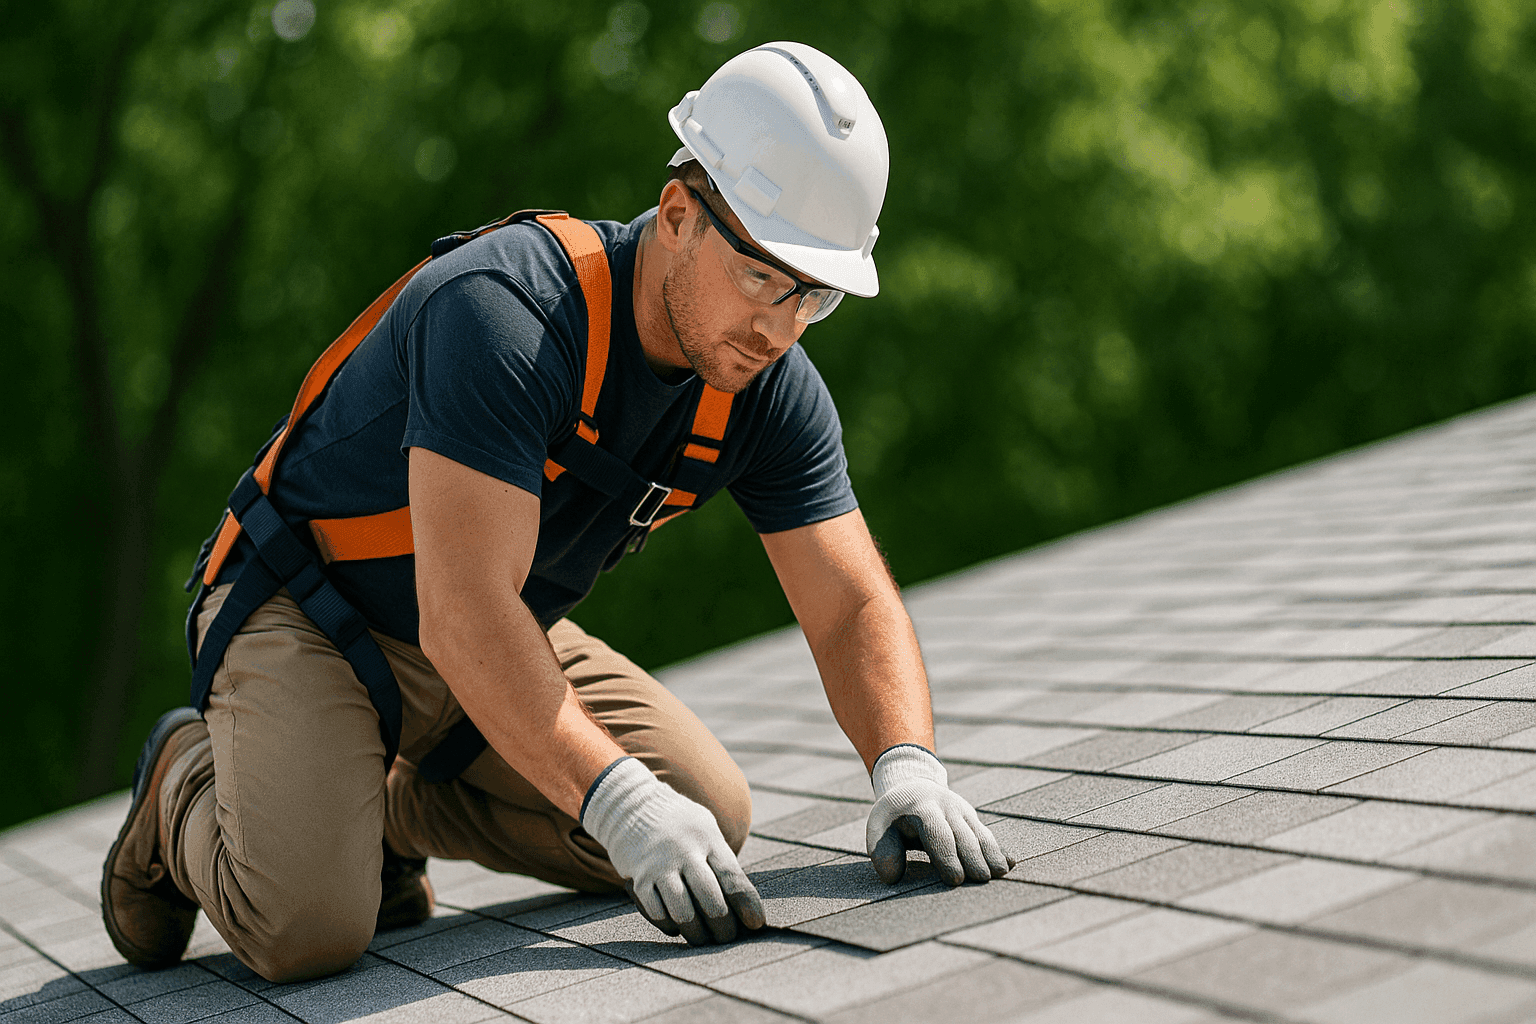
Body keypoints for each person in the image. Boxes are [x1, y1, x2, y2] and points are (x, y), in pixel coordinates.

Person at [100, 41, 1013, 984]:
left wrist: (906, 767)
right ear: (677, 215)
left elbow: (851, 603)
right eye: (762, 277)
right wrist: (616, 802)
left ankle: (390, 808)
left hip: (483, 642)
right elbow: (464, 612)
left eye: (814, 296)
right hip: (306, 613)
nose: (780, 328)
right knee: (308, 930)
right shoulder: (506, 311)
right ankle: (184, 780)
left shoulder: (762, 383)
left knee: (707, 817)